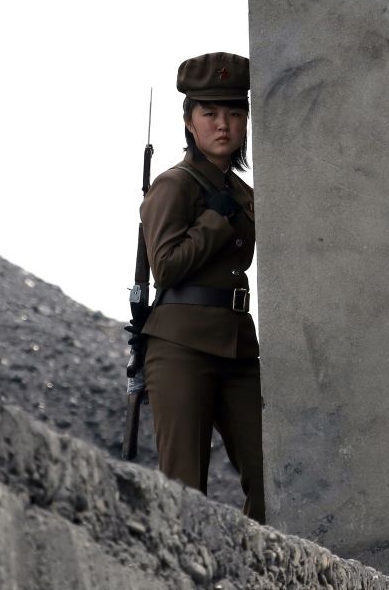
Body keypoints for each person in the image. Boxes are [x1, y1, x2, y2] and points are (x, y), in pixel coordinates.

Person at [139, 52, 264, 522]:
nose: (224, 125)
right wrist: (216, 221)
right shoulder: (174, 185)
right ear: (189, 121)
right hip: (180, 345)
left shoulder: (245, 193)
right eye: (209, 113)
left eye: (235, 113)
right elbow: (166, 267)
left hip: (237, 347)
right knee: (185, 488)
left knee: (272, 472)